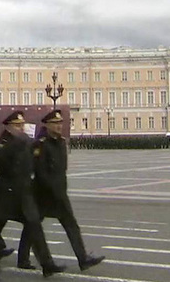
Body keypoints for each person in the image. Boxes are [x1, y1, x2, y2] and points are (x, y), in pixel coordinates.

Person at [0, 111, 64, 275]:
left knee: (34, 225)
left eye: (22, 125)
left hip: (25, 192)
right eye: (17, 125)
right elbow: (1, 166)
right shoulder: (2, 144)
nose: (21, 128)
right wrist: (19, 143)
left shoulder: (27, 143)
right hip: (6, 193)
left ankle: (46, 264)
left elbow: (32, 163)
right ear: (8, 128)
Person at [33, 110, 104, 271]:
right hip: (43, 194)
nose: (59, 126)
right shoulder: (41, 144)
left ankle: (83, 258)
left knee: (71, 225)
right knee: (33, 227)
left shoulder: (61, 142)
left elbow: (61, 170)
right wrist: (51, 188)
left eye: (60, 123)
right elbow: (40, 171)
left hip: (59, 194)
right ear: (48, 125)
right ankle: (38, 262)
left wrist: (61, 190)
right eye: (55, 123)